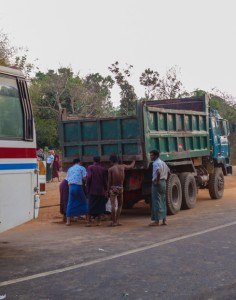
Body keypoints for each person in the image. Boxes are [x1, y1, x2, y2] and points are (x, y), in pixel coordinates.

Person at [107, 154, 135, 227]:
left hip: (113, 188)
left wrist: (107, 190)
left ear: (111, 161)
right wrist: (134, 161)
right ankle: (117, 221)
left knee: (113, 205)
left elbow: (109, 181)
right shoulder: (123, 166)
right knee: (120, 205)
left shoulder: (111, 169)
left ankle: (113, 222)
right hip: (120, 187)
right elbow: (131, 166)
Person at [149, 149, 170, 226]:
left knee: (156, 201)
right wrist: (165, 180)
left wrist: (157, 181)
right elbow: (169, 172)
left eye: (152, 155)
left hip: (157, 183)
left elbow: (158, 172)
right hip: (163, 182)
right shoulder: (163, 163)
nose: (150, 157)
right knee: (163, 200)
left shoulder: (155, 163)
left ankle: (156, 221)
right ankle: (164, 220)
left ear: (155, 156)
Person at [86, 156, 108, 226]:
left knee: (90, 205)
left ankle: (89, 222)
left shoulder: (90, 167)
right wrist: (106, 190)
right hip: (101, 190)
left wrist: (87, 186)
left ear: (93, 161)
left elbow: (89, 177)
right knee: (100, 206)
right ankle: (99, 222)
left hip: (92, 190)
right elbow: (105, 181)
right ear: (99, 161)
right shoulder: (103, 169)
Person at [66, 158, 88, 226]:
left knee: (70, 203)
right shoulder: (82, 168)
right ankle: (87, 219)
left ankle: (68, 221)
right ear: (79, 162)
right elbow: (84, 178)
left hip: (71, 187)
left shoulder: (70, 169)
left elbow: (67, 179)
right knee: (84, 201)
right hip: (78, 186)